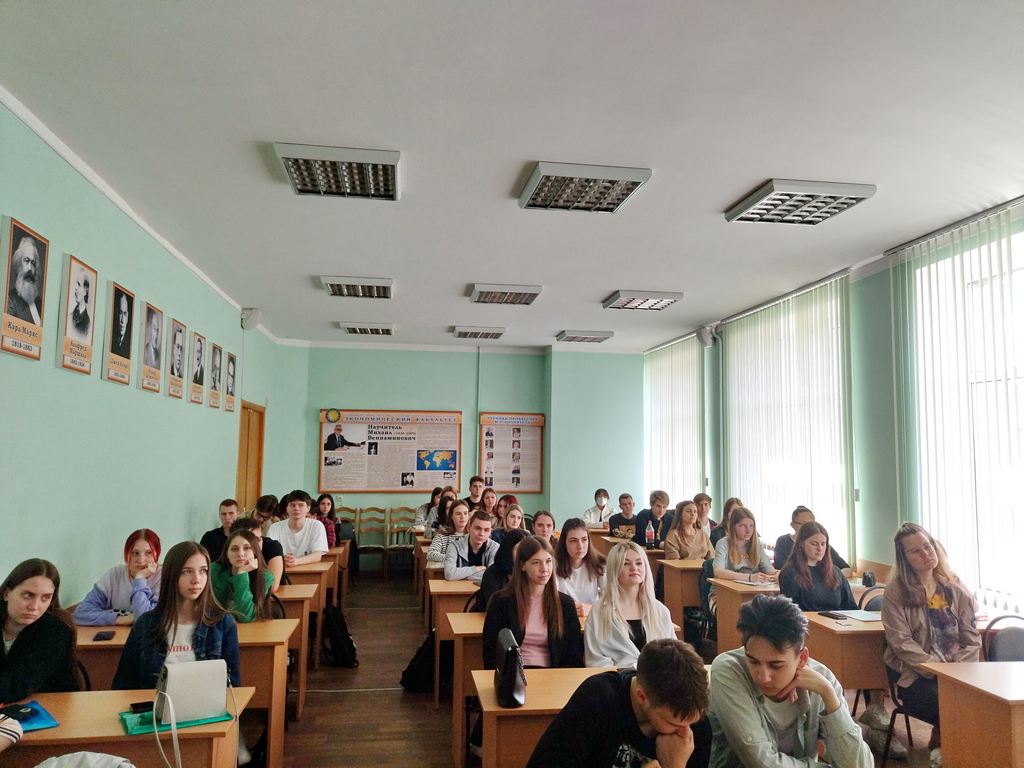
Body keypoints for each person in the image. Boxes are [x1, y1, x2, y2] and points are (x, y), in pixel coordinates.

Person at [708, 594, 873, 768]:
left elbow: (860, 765)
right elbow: (761, 762)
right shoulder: (728, 670)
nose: (763, 677)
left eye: (776, 665)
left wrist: (828, 694)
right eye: (753, 661)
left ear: (802, 658)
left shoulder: (822, 680)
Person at [527, 639, 712, 768]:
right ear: (642, 697)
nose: (686, 733)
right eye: (672, 723)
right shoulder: (598, 700)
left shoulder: (696, 725)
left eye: (691, 722)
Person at [882, 522, 980, 763]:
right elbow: (901, 643)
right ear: (904, 559)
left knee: (985, 703)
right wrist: (935, 669)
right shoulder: (896, 592)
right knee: (951, 704)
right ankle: (947, 753)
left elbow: (971, 637)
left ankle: (950, 751)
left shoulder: (953, 586)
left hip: (957, 671)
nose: (926, 554)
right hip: (917, 675)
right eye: (915, 551)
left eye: (927, 546)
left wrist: (958, 668)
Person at [112, 541, 241, 693]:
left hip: (206, 707)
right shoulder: (145, 624)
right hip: (154, 707)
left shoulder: (222, 623)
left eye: (203, 571)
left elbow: (233, 687)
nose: (196, 579)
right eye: (187, 571)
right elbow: (124, 686)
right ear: (172, 575)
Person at [482, 536, 584, 669]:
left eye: (548, 561)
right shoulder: (501, 602)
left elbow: (574, 654)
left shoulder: (565, 604)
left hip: (553, 675)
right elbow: (490, 651)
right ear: (522, 565)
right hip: (513, 674)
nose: (544, 569)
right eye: (536, 562)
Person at [0, 559, 80, 702]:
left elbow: (14, 687)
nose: (35, 606)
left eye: (45, 598)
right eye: (28, 595)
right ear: (6, 593)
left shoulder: (56, 632)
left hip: (47, 708)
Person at [585, 541, 675, 667]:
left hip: (656, 676)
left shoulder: (660, 610)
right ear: (614, 569)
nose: (634, 568)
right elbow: (595, 658)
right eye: (626, 563)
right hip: (615, 676)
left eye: (639, 563)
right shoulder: (599, 611)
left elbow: (672, 654)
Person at [75, 529, 162, 625]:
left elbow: (145, 620)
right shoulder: (115, 575)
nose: (141, 560)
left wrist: (140, 579)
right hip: (119, 633)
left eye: (149, 553)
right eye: (135, 553)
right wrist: (119, 619)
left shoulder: (164, 577)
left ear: (157, 554)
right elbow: (81, 613)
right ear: (127, 554)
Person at [778, 521, 856, 612]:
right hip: (807, 620)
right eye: (814, 544)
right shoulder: (790, 572)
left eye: (823, 544)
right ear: (802, 544)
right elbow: (791, 612)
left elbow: (851, 607)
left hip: (837, 620)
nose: (820, 549)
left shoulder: (835, 572)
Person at [212, 529, 274, 622]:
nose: (240, 554)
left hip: (251, 628)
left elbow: (246, 617)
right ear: (227, 554)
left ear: (255, 552)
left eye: (247, 548)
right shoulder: (215, 571)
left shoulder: (265, 577)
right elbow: (214, 611)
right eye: (234, 549)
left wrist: (242, 574)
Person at [712, 507, 776, 594]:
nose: (748, 530)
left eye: (751, 526)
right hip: (724, 591)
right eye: (743, 526)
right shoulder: (723, 543)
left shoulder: (756, 544)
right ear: (733, 527)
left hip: (751, 590)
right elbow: (718, 572)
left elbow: (769, 570)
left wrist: (778, 574)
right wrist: (749, 577)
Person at [773, 506, 850, 572]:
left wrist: (833, 576)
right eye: (804, 524)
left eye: (812, 524)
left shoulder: (821, 545)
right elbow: (781, 568)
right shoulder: (783, 541)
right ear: (792, 525)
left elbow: (846, 568)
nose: (809, 528)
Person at [472, 529, 528, 612]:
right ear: (509, 550)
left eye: (527, 550)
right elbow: (495, 607)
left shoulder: (529, 572)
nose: (524, 554)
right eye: (519, 549)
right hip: (486, 617)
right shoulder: (492, 573)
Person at [268, 489, 329, 566]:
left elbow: (317, 555)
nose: (296, 508)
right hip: (281, 568)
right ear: (287, 508)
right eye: (292, 505)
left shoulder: (317, 526)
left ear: (308, 508)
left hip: (309, 569)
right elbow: (269, 552)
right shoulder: (275, 527)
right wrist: (283, 560)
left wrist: (296, 561)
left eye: (301, 505)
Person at [555, 518, 606, 608]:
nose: (580, 546)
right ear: (564, 543)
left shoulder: (599, 563)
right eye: (573, 541)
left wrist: (590, 608)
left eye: (584, 540)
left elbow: (609, 600)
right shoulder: (554, 565)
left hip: (591, 614)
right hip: (564, 614)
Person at [231, 517, 284, 593]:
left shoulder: (272, 546)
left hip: (270, 596)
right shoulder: (231, 552)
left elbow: (272, 587)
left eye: (261, 537)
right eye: (254, 539)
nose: (259, 542)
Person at [445, 510, 499, 582]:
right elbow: (449, 574)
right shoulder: (454, 546)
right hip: (459, 588)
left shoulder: (495, 547)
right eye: (477, 528)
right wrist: (476, 569)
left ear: (490, 532)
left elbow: (493, 576)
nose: (481, 534)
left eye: (486, 530)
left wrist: (460, 575)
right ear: (469, 528)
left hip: (485, 588)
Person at [6, 234, 44, 324]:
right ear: (18, 264)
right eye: (26, 261)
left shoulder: (40, 304)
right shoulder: (10, 300)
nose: (30, 268)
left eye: (33, 263)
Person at [426, 498, 471, 563]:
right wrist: (455, 558)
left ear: (469, 515)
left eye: (465, 513)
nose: (462, 517)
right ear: (451, 516)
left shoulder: (474, 536)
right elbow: (431, 554)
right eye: (458, 514)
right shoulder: (442, 536)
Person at [68, 265, 91, 342]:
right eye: (76, 284)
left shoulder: (88, 325)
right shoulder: (70, 316)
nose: (75, 288)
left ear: (85, 291)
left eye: (79, 284)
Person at [110, 290, 132, 358]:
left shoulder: (130, 344)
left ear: (128, 317)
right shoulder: (112, 338)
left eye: (125, 314)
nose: (122, 320)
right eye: (120, 313)